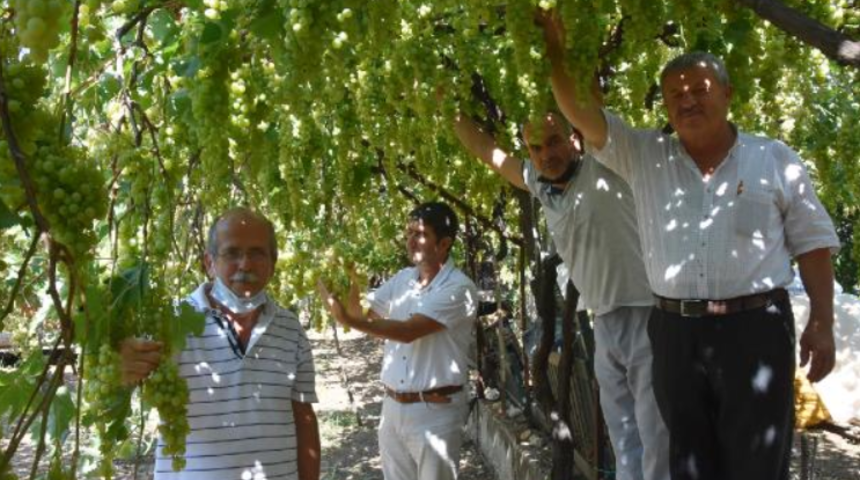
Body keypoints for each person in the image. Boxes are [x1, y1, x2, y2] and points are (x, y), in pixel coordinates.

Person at [541, 15, 840, 480]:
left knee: (757, 466)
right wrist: (557, 51)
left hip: (755, 330)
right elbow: (579, 111)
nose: (687, 100)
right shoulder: (644, 157)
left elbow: (814, 243)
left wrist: (822, 321)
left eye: (699, 89)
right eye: (675, 95)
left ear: (727, 94)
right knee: (690, 464)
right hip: (676, 335)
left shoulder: (773, 158)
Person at [452, 111, 669, 480]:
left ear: (575, 137)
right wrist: (449, 106)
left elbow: (588, 103)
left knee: (656, 436)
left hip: (647, 313)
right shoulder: (539, 182)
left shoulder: (607, 163)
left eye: (553, 141)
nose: (545, 154)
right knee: (623, 436)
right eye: (535, 147)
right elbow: (488, 152)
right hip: (603, 320)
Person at [120, 207, 321, 480]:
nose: (245, 264)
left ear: (273, 262)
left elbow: (304, 418)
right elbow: (113, 378)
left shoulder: (291, 328)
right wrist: (120, 366)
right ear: (209, 262)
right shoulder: (169, 323)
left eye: (257, 253)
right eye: (232, 252)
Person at [318, 202, 478, 480]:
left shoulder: (459, 288)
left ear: (444, 244)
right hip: (392, 408)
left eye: (420, 234)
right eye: (409, 233)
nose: (410, 240)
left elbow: (407, 331)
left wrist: (345, 318)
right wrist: (351, 283)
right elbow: (367, 318)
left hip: (435, 413)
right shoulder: (403, 279)